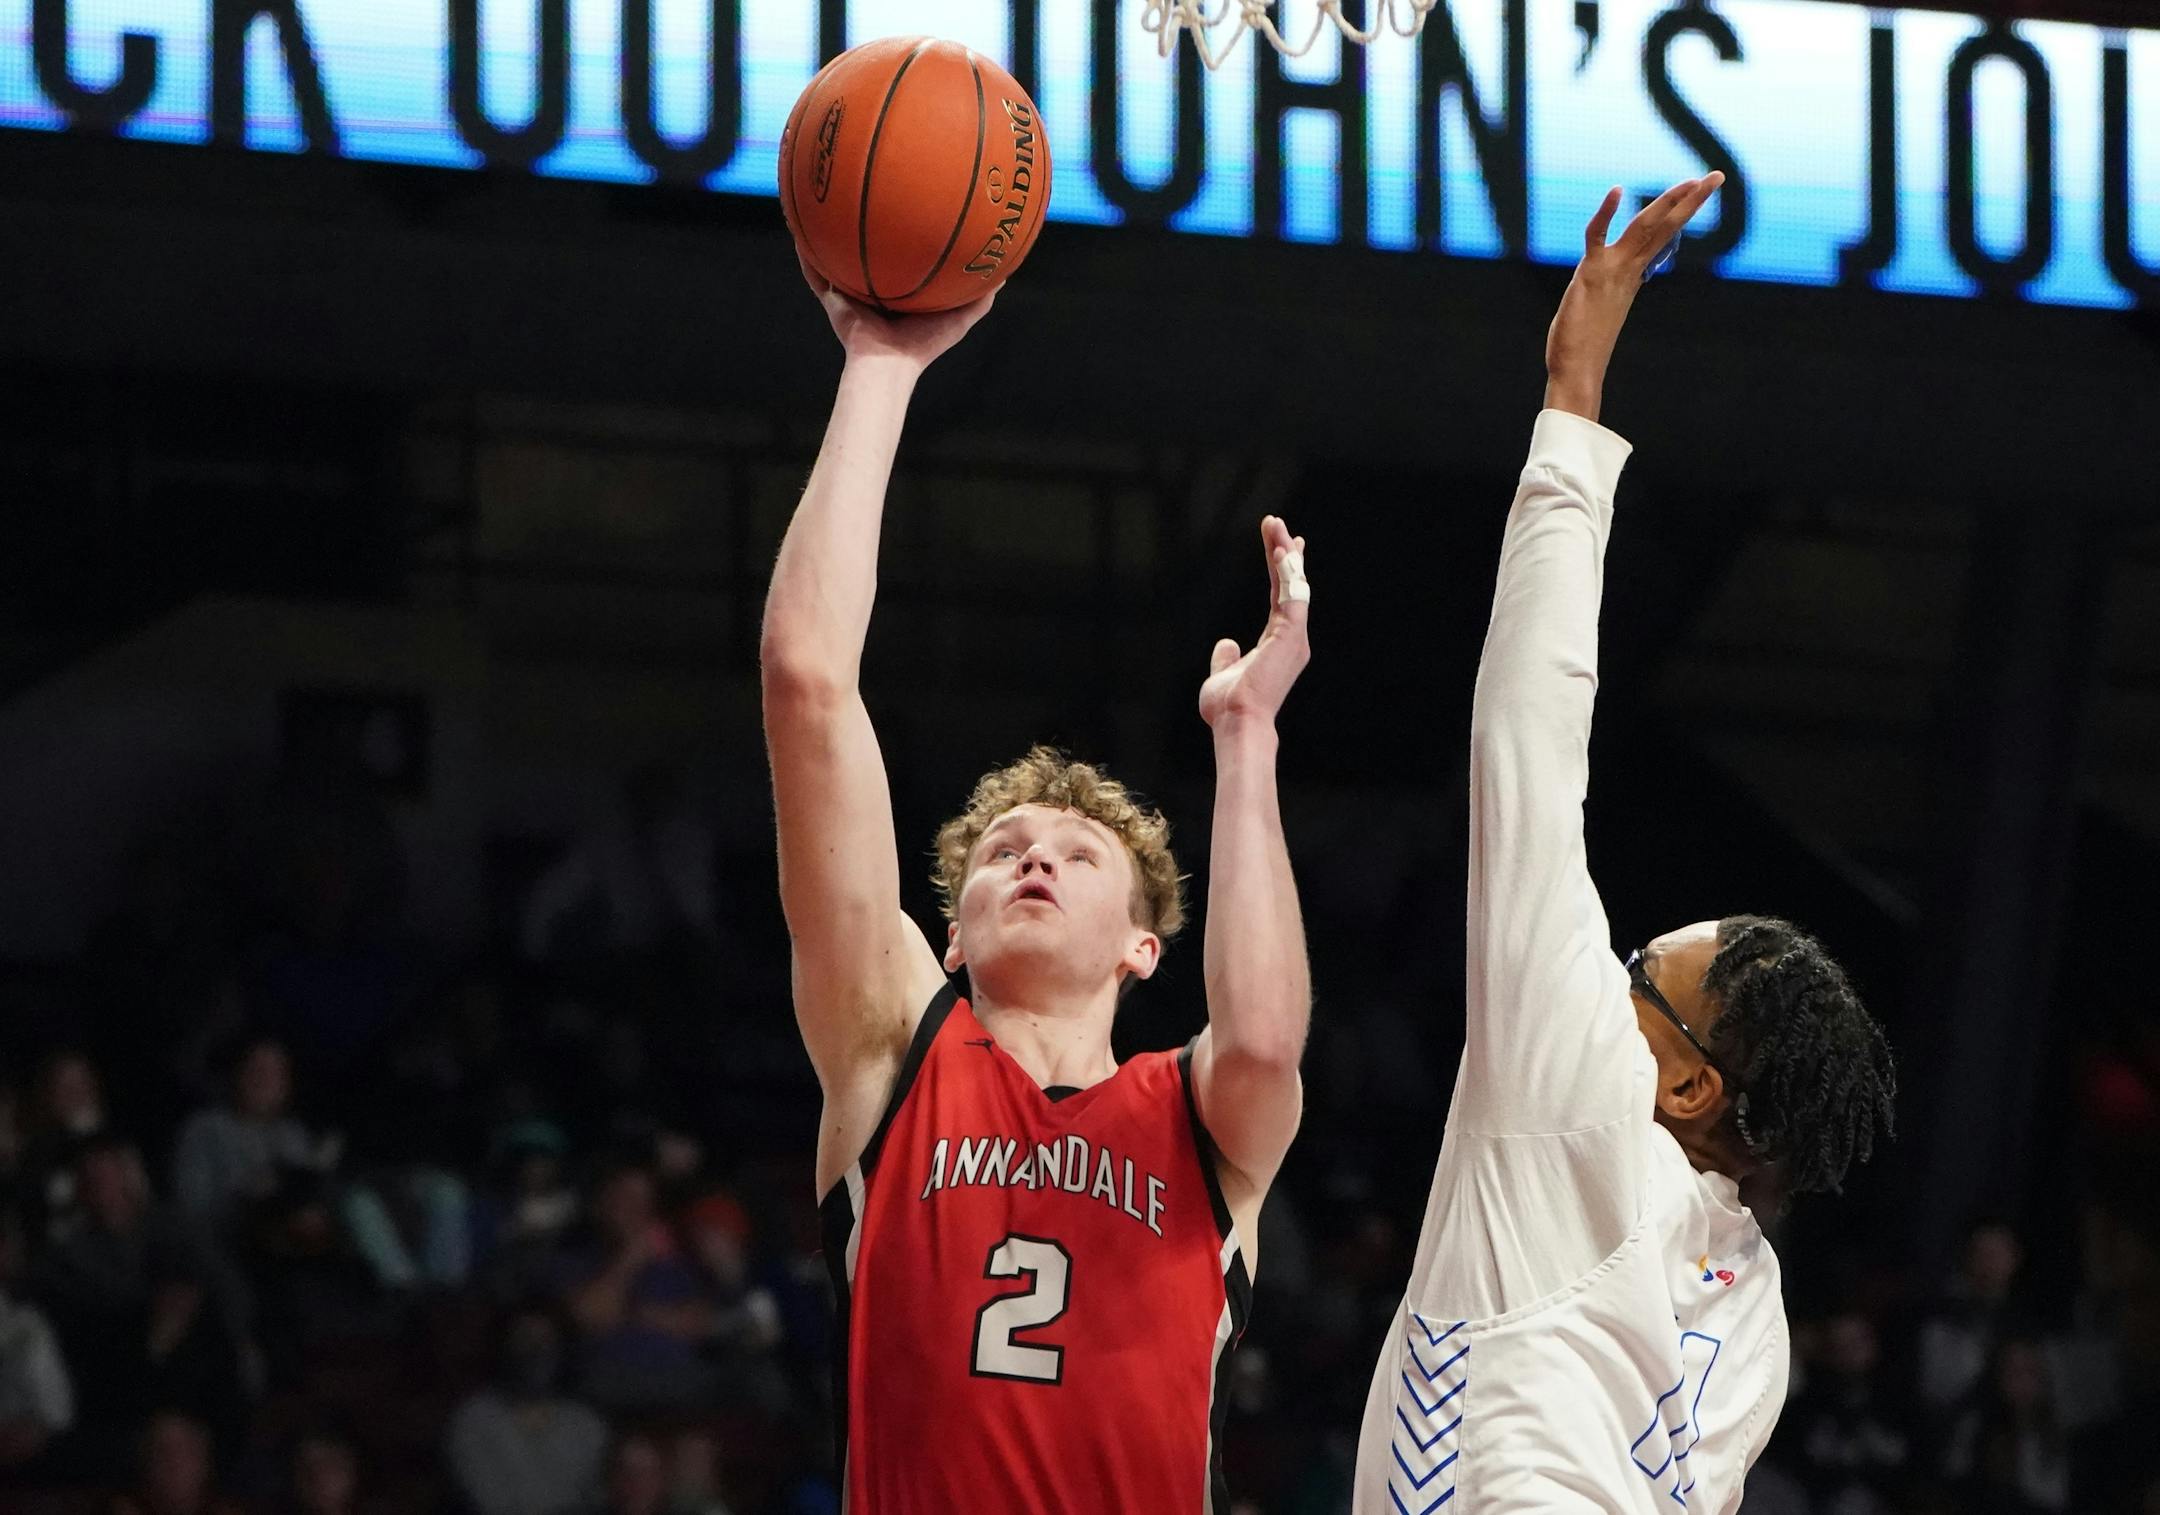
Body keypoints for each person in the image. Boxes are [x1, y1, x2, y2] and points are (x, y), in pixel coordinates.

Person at [1350, 174, 1898, 1514]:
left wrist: (1573, 403)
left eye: (1642, 968)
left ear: (1693, 1085)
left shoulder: (1579, 1077)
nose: (1612, 965)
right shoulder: (1753, 1306)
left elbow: (1530, 741)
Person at [763, 258, 1314, 1510]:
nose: (1033, 859)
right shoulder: (896, 1046)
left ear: (1142, 948)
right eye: (1005, 849)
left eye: (1078, 856)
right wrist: (881, 368)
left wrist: (1247, 741)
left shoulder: (1198, 1114)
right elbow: (806, 681)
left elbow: (1271, 1038)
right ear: (947, 938)